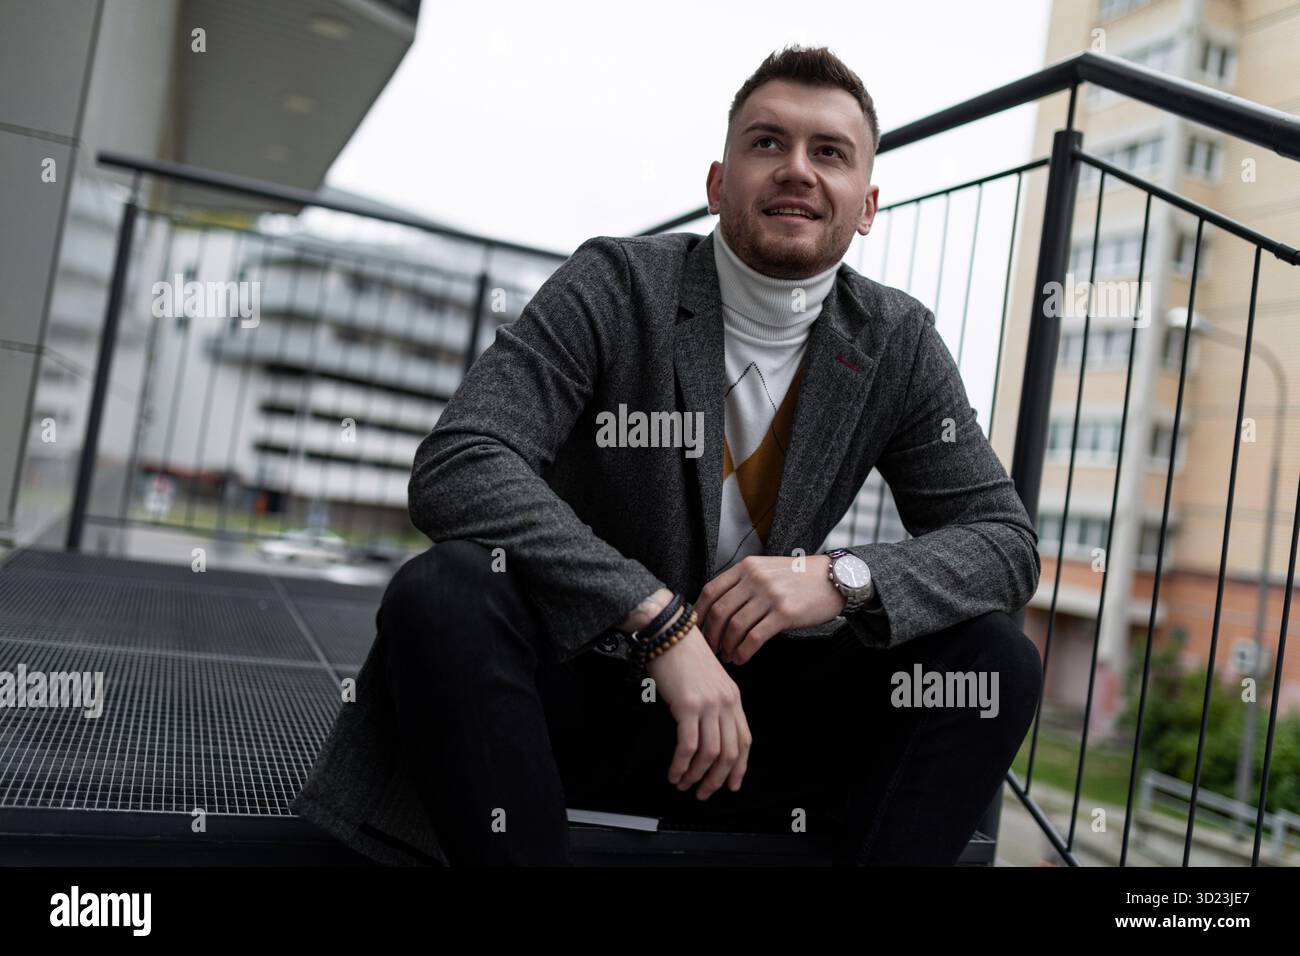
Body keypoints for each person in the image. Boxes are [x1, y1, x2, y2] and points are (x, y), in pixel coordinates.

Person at [291, 44, 1043, 867]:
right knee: (444, 590)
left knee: (995, 659)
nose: (797, 169)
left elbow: (1004, 543)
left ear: (866, 203)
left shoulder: (896, 341)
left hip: (750, 731)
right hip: (559, 704)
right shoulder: (615, 283)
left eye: (828, 152)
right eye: (768, 143)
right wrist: (655, 617)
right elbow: (460, 461)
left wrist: (839, 580)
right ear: (719, 185)